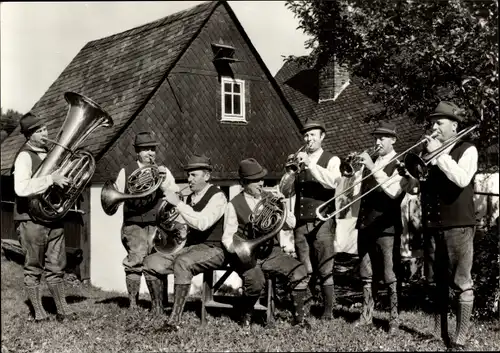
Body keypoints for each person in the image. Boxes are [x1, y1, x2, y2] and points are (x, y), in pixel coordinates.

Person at [223, 158, 311, 328]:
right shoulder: (233, 204)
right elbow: (227, 237)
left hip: (272, 252)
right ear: (243, 183)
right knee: (256, 282)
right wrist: (239, 250)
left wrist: (284, 206)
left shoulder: (271, 198)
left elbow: (290, 224)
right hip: (249, 256)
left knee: (300, 271)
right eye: (255, 180)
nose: (260, 183)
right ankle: (246, 316)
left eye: (261, 179)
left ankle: (299, 319)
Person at [143, 154, 228, 330]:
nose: (189, 179)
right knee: (150, 262)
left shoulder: (218, 196)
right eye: (188, 175)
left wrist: (178, 205)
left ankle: (175, 319)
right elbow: (183, 224)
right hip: (191, 247)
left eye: (194, 175)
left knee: (182, 263)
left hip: (214, 248)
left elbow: (202, 224)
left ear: (206, 176)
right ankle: (158, 310)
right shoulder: (190, 198)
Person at [418, 102, 478, 350]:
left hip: (458, 224)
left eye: (439, 122)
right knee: (435, 281)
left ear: (454, 126)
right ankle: (437, 332)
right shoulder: (431, 153)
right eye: (433, 122)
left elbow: (462, 179)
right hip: (434, 224)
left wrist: (439, 155)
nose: (433, 127)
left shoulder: (468, 149)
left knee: (461, 282)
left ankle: (460, 337)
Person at [353, 121, 418, 333]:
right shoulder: (370, 161)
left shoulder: (401, 163)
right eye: (376, 137)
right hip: (366, 225)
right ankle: (366, 315)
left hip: (387, 227)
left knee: (390, 275)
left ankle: (394, 319)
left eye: (382, 138)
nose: (377, 141)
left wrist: (372, 168)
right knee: (366, 272)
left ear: (393, 140)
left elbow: (392, 192)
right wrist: (353, 170)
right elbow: (355, 192)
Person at [12, 112, 76, 322]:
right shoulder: (24, 156)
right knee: (33, 267)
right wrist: (51, 178)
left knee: (57, 266)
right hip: (30, 220)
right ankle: (38, 312)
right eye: (39, 131)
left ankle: (62, 310)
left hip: (52, 217)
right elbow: (21, 188)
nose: (45, 133)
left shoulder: (51, 155)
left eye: (45, 129)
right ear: (29, 135)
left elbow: (57, 183)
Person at [113, 131, 178, 311]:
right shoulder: (126, 171)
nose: (150, 153)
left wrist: (163, 180)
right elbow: (117, 195)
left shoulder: (163, 170)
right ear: (137, 152)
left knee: (158, 262)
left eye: (153, 149)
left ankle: (160, 303)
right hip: (134, 225)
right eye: (145, 149)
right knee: (135, 261)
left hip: (157, 225)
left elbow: (174, 193)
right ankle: (133, 304)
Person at [286, 119, 342, 320]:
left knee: (325, 267)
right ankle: (305, 309)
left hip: (322, 220)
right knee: (304, 267)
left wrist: (310, 163)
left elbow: (332, 183)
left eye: (313, 135)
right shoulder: (298, 160)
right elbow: (289, 191)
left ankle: (328, 312)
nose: (308, 139)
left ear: (322, 137)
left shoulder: (332, 159)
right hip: (301, 221)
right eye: (306, 135)